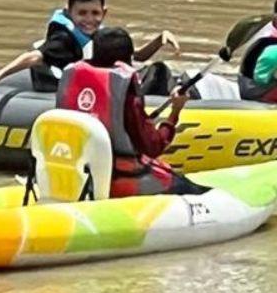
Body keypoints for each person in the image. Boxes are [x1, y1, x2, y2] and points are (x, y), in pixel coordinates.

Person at [57, 27, 207, 197]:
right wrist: (175, 112)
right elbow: (153, 147)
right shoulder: (125, 91)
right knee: (194, 191)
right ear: (128, 59)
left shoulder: (72, 76)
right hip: (120, 178)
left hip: (75, 173)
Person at [0, 0, 179, 92]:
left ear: (104, 12)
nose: (89, 20)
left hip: (85, 82)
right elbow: (34, 57)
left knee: (158, 70)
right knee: (158, 73)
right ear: (69, 12)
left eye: (95, 13)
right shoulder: (63, 39)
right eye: (82, 13)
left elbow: (136, 57)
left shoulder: (99, 35)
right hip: (61, 87)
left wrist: (160, 39)